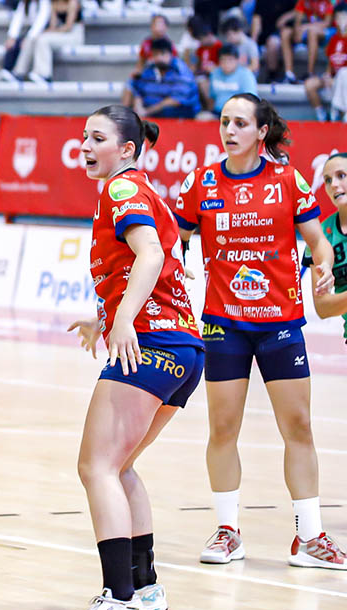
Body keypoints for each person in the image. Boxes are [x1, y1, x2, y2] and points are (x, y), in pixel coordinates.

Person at [173, 93, 345, 570]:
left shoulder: (287, 180)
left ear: (260, 131)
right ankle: (228, 531)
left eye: (240, 122)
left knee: (300, 428)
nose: (229, 129)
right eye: (225, 121)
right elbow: (174, 241)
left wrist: (325, 267)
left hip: (281, 325)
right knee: (223, 428)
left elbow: (318, 242)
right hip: (222, 323)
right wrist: (176, 268)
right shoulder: (201, 182)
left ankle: (309, 539)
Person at [60, 105, 203, 610]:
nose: (86, 145)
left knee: (95, 466)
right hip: (183, 348)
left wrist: (122, 321)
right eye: (83, 137)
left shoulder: (122, 191)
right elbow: (154, 265)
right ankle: (144, 588)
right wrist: (103, 318)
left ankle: (117, 597)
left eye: (98, 138)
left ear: (127, 149)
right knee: (119, 467)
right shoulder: (139, 191)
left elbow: (147, 255)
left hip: (152, 343)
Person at [302, 152, 347, 339]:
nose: (333, 185)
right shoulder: (321, 236)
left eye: (341, 176)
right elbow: (323, 307)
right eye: (328, 180)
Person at [12, 0, 83, 85]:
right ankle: (21, 72)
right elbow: (53, 25)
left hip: (74, 35)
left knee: (43, 40)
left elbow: (68, 27)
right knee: (37, 38)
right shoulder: (53, 3)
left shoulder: (73, 2)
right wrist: (46, 32)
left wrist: (51, 32)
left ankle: (44, 74)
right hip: (60, 32)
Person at [129, 38, 202, 119]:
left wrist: (147, 111)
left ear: (171, 54)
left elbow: (175, 100)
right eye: (155, 54)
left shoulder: (181, 70)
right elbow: (139, 91)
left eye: (163, 54)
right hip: (153, 110)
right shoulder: (149, 69)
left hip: (180, 110)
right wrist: (138, 107)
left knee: (168, 111)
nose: (159, 58)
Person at [302, 2, 347, 120]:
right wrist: (327, 75)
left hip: (344, 79)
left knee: (343, 74)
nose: (340, 20)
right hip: (333, 78)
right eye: (338, 17)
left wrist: (335, 80)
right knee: (309, 84)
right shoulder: (333, 40)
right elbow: (330, 62)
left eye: (343, 16)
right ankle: (322, 116)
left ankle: (339, 114)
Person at [0, 0, 50, 83]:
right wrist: (12, 37)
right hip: (32, 32)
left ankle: (19, 72)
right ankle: (7, 69)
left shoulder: (44, 2)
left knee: (29, 42)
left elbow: (41, 22)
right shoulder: (25, 3)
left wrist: (29, 37)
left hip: (43, 31)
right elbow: (18, 19)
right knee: (14, 42)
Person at [281, 0, 335, 82]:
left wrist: (307, 27)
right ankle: (289, 74)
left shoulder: (328, 2)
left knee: (312, 32)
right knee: (285, 33)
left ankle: (310, 73)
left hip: (327, 31)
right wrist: (297, 31)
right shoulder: (303, 1)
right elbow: (298, 22)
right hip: (308, 30)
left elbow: (327, 23)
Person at [206, 43, 259, 117]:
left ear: (237, 60)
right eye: (223, 60)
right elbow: (212, 98)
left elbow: (251, 100)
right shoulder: (215, 73)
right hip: (218, 112)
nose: (226, 63)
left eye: (230, 60)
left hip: (239, 115)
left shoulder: (246, 75)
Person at [254, 0, 299, 81]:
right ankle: (272, 75)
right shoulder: (261, 1)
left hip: (287, 33)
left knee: (275, 41)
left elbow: (298, 10)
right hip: (267, 33)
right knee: (272, 42)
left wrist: (286, 17)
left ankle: (283, 74)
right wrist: (253, 42)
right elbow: (256, 19)